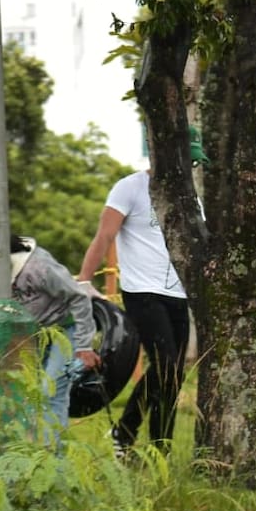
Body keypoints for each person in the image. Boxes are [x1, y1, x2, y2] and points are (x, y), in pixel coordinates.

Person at [78, 169, 190, 452]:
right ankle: (125, 431)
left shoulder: (189, 191)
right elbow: (104, 235)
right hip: (142, 291)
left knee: (174, 375)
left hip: (179, 292)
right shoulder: (130, 187)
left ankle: (160, 448)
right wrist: (84, 280)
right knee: (165, 366)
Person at [0, 232, 100, 432]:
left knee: (49, 392)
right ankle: (22, 453)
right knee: (20, 394)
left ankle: (52, 458)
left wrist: (84, 346)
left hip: (63, 329)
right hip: (24, 337)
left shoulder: (39, 268)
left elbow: (78, 297)